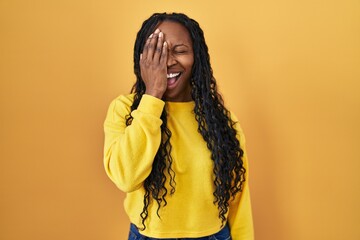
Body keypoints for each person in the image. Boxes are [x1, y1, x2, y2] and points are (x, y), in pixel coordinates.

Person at [103, 12, 254, 240]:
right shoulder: (125, 110)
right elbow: (126, 178)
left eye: (180, 50)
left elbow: (238, 198)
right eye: (158, 51)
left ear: (197, 58)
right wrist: (153, 95)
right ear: (143, 59)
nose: (168, 61)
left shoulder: (221, 121)